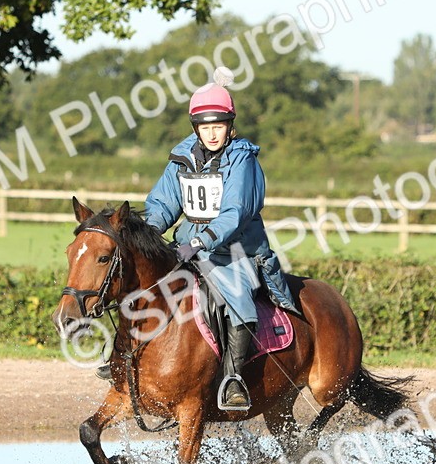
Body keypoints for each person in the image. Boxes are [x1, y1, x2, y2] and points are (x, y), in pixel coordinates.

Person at [101, 67, 298, 412]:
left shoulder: (243, 160)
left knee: (235, 298)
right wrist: (146, 234)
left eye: (218, 126)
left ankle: (234, 379)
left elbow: (235, 212)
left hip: (237, 250)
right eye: (205, 127)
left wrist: (202, 240)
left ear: (229, 125)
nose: (211, 133)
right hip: (189, 245)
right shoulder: (182, 157)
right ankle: (125, 359)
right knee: (147, 287)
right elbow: (163, 203)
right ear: (195, 127)